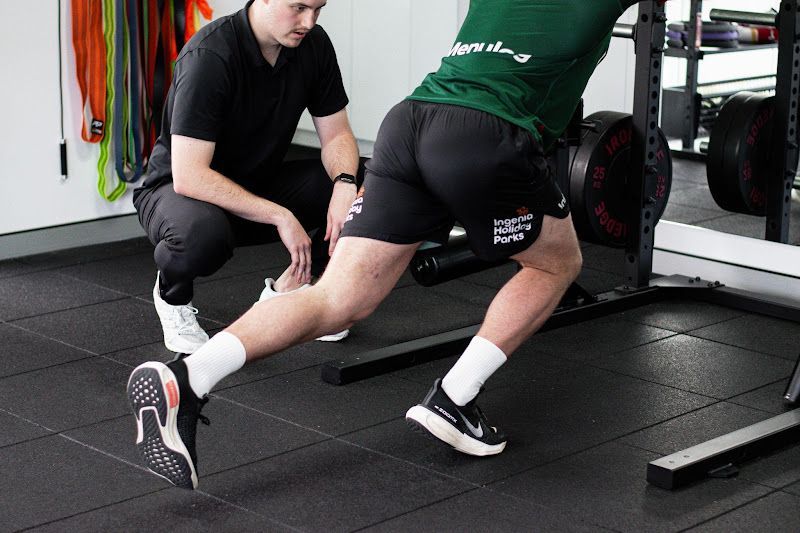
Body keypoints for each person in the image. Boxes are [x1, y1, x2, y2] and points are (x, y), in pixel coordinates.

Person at [127, 0, 644, 489]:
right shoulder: (212, 51)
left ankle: (188, 380)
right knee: (557, 264)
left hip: (411, 121)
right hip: (485, 133)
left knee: (339, 299)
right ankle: (454, 398)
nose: (309, 19)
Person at [133, 0, 358, 354]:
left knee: (369, 184)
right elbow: (190, 176)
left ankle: (299, 285)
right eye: (299, 7)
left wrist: (346, 185)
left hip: (258, 183)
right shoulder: (210, 56)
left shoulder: (313, 45)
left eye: (318, 9)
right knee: (201, 236)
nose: (309, 21)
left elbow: (337, 136)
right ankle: (171, 295)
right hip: (181, 193)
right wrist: (280, 215)